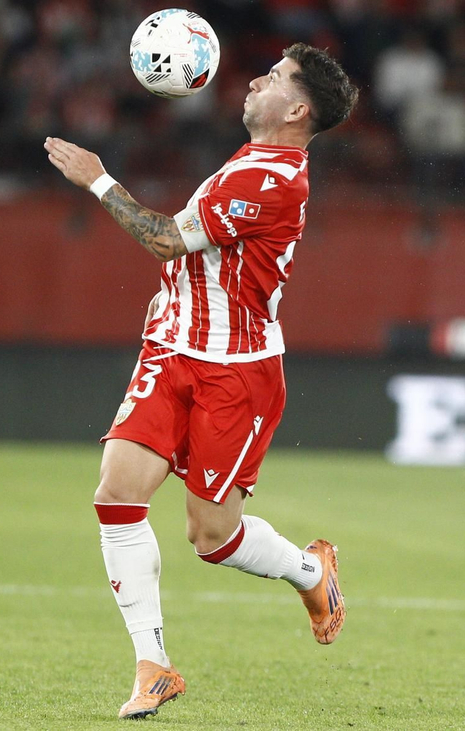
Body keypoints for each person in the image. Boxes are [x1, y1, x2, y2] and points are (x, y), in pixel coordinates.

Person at [44, 43, 359, 720]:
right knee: (116, 494)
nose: (256, 80)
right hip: (170, 350)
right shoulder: (251, 160)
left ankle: (311, 572)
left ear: (297, 110)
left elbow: (164, 238)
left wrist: (99, 181)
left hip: (236, 374)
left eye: (275, 77)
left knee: (212, 537)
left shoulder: (274, 180)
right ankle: (153, 666)